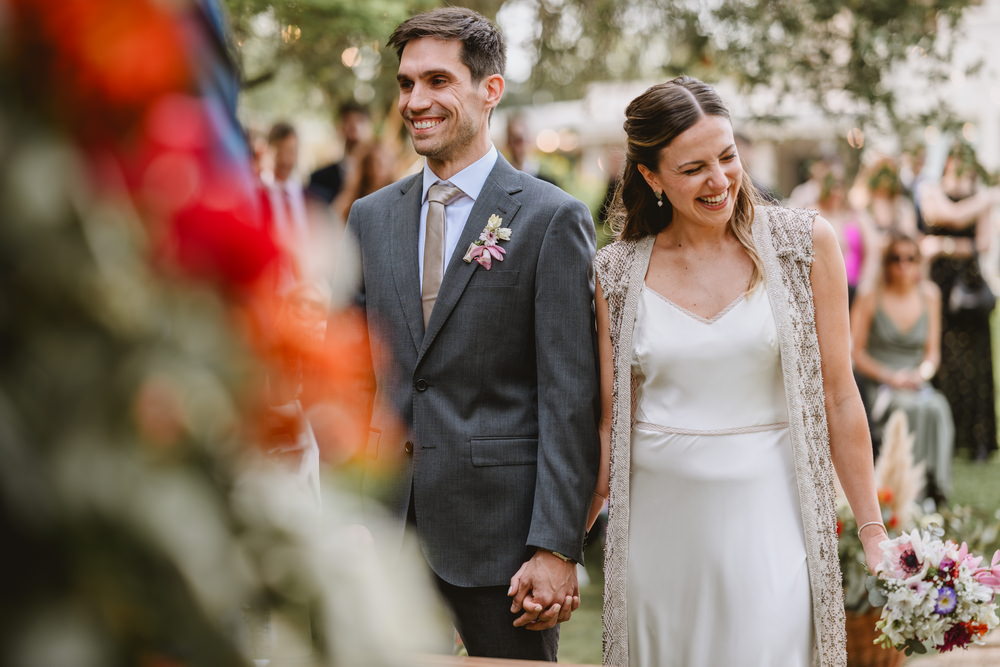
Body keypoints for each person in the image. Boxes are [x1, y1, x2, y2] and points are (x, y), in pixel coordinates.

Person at [591, 77, 884, 667]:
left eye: (728, 157)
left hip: (770, 519)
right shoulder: (615, 274)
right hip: (659, 531)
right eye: (694, 167)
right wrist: (561, 544)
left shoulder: (806, 244)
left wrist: (874, 532)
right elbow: (606, 422)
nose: (720, 180)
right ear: (651, 177)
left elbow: (838, 396)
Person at [347, 7, 599, 661]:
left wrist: (555, 544)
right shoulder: (369, 218)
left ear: (490, 90)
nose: (416, 101)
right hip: (388, 535)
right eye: (406, 84)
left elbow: (569, 396)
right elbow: (351, 375)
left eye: (437, 81)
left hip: (503, 543)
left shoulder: (550, 219)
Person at [851, 233, 954, 500]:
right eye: (896, 259)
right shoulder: (870, 296)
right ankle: (907, 489)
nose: (904, 265)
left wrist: (921, 375)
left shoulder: (930, 295)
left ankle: (933, 486)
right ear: (886, 263)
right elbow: (856, 353)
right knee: (905, 408)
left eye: (911, 258)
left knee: (937, 407)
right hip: (881, 380)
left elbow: (932, 355)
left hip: (915, 379)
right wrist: (892, 377)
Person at [918, 144, 999, 461]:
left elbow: (983, 243)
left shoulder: (980, 197)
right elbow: (944, 215)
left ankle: (977, 439)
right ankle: (946, 436)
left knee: (976, 362)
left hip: (969, 286)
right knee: (943, 356)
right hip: (938, 285)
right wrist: (984, 201)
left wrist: (941, 244)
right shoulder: (931, 190)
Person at [307, 101, 374, 205]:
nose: (354, 126)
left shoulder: (384, 179)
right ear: (339, 128)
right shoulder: (319, 179)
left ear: (370, 128)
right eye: (349, 121)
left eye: (360, 121)